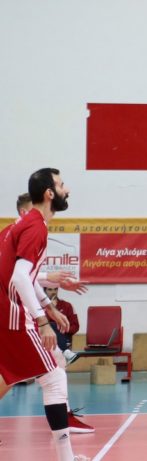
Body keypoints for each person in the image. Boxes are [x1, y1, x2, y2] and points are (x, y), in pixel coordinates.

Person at [0, 168, 89, 461]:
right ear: (50, 193)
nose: (67, 190)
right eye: (62, 185)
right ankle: (66, 458)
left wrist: (48, 307)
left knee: (26, 375)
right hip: (12, 316)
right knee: (53, 378)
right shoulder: (35, 227)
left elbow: (24, 275)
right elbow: (20, 277)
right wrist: (42, 320)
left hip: (8, 313)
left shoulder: (21, 226)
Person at [43, 287, 93, 433]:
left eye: (54, 289)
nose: (52, 292)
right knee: (51, 327)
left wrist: (63, 327)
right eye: (49, 289)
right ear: (44, 290)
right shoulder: (38, 306)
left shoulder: (67, 306)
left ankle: (65, 418)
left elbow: (75, 326)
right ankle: (64, 419)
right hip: (44, 343)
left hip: (61, 341)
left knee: (57, 379)